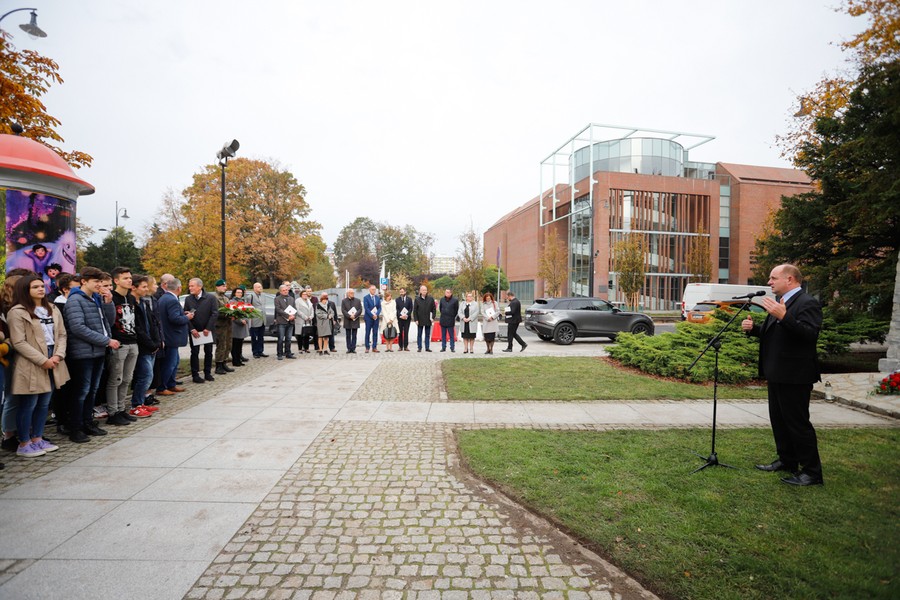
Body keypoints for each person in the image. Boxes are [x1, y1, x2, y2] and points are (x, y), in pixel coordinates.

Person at [742, 264, 824, 487]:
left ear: (790, 279)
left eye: (773, 278)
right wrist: (754, 330)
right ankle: (787, 461)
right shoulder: (780, 303)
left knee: (798, 424)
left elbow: (809, 336)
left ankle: (812, 472)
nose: (769, 282)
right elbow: (777, 335)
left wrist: (784, 317)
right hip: (777, 373)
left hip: (796, 376)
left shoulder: (807, 303)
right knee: (779, 421)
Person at [8, 275, 70, 457]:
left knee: (44, 402)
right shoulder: (17, 312)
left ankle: (37, 438)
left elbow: (62, 335)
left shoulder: (52, 308)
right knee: (30, 403)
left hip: (54, 357)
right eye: (35, 287)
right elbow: (19, 342)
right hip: (32, 360)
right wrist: (43, 360)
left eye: (42, 286)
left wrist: (58, 354)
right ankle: (24, 443)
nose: (41, 289)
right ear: (24, 290)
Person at [60, 267, 117, 442]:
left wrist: (108, 303)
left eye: (101, 282)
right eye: (96, 282)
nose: (100, 285)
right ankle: (76, 428)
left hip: (97, 351)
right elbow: (78, 328)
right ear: (84, 281)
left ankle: (88, 422)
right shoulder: (75, 300)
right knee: (81, 391)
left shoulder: (96, 299)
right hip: (83, 353)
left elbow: (108, 322)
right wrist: (105, 341)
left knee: (92, 391)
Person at [105, 267, 140, 426]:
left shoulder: (131, 299)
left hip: (133, 341)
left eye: (130, 277)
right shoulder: (112, 298)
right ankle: (113, 412)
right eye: (125, 278)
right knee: (116, 379)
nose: (129, 280)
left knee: (127, 378)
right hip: (119, 343)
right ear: (116, 281)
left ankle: (121, 409)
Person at [129, 275, 161, 418]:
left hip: (151, 344)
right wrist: (149, 343)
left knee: (149, 375)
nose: (146, 289)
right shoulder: (131, 304)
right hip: (142, 346)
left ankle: (141, 403)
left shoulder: (143, 302)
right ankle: (136, 404)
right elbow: (137, 328)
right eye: (143, 287)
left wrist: (157, 341)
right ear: (134, 288)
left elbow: (153, 323)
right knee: (145, 376)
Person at [156, 278, 189, 397]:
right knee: (170, 363)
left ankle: (171, 384)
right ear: (179, 288)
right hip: (171, 336)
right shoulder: (172, 300)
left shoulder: (164, 298)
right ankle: (162, 386)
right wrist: (187, 318)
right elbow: (175, 319)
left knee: (174, 362)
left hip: (168, 335)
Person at [184, 277, 218, 382]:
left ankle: (207, 373)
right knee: (194, 352)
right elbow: (185, 314)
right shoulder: (188, 299)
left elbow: (215, 313)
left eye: (192, 286)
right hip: (194, 331)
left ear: (200, 287)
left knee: (208, 352)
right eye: (189, 286)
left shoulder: (210, 298)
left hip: (207, 330)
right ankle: (195, 374)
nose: (190, 288)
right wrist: (191, 329)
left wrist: (208, 328)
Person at [213, 279, 234, 374]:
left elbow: (229, 307)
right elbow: (216, 311)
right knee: (221, 345)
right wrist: (227, 314)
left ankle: (224, 362)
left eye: (225, 286)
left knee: (228, 344)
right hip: (220, 324)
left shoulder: (225, 298)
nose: (225, 288)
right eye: (223, 286)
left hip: (228, 324)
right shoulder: (215, 297)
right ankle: (218, 365)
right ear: (217, 287)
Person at [273, 284, 297, 360]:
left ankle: (288, 353)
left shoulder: (291, 298)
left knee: (289, 338)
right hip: (281, 321)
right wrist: (288, 316)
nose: (285, 291)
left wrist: (293, 315)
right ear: (280, 291)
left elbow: (294, 308)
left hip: (290, 322)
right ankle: (279, 354)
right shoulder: (277, 299)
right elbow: (278, 309)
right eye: (284, 290)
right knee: (280, 338)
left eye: (286, 290)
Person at [246, 282, 268, 358]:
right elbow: (248, 308)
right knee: (254, 337)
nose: (260, 288)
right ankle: (255, 352)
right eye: (258, 287)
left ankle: (260, 351)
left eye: (261, 287)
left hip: (262, 319)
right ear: (254, 288)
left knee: (261, 337)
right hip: (254, 320)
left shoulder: (263, 295)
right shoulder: (250, 296)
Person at [230, 287, 249, 366]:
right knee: (235, 344)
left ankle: (239, 359)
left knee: (240, 344)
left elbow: (247, 312)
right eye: (238, 292)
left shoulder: (243, 301)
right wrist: (240, 321)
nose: (239, 294)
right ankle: (235, 360)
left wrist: (245, 319)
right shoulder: (232, 302)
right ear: (234, 293)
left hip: (242, 325)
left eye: (241, 293)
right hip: (235, 325)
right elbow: (232, 314)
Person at [413, 285, 436, 352]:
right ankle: (419, 347)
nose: (424, 291)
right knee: (419, 334)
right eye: (423, 290)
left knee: (427, 334)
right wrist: (416, 319)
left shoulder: (430, 299)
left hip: (428, 319)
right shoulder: (417, 299)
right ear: (420, 291)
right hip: (420, 319)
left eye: (425, 290)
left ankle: (427, 347)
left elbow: (434, 309)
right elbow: (415, 311)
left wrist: (433, 317)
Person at [341, 289, 362, 354]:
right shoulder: (344, 301)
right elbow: (343, 310)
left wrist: (355, 315)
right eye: (351, 293)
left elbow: (360, 309)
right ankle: (349, 348)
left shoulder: (358, 300)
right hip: (347, 320)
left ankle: (353, 348)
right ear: (348, 294)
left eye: (353, 293)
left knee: (354, 335)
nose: (352, 294)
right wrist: (349, 316)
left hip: (355, 320)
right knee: (348, 335)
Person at [363, 285, 381, 353]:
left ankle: (374, 347)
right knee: (367, 332)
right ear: (369, 290)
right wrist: (372, 315)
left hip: (376, 318)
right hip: (368, 318)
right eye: (373, 289)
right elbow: (366, 308)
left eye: (375, 289)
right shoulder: (366, 298)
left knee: (375, 333)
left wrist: (376, 314)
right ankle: (367, 347)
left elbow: (379, 307)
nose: (374, 291)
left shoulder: (377, 298)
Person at [295, 289, 315, 353]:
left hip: (308, 320)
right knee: (300, 335)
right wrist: (305, 317)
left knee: (307, 334)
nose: (305, 295)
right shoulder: (298, 301)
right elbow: (297, 310)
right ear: (301, 295)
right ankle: (300, 349)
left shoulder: (309, 301)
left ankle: (307, 348)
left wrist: (311, 316)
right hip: (301, 320)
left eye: (306, 294)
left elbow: (312, 310)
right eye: (304, 294)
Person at [395, 287, 413, 351]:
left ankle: (406, 346)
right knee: (400, 332)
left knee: (406, 332)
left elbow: (411, 308)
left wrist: (407, 315)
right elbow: (396, 309)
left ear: (405, 292)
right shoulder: (397, 300)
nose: (401, 293)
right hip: (400, 319)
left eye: (402, 292)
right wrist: (400, 315)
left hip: (407, 319)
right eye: (400, 292)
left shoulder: (409, 299)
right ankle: (400, 346)